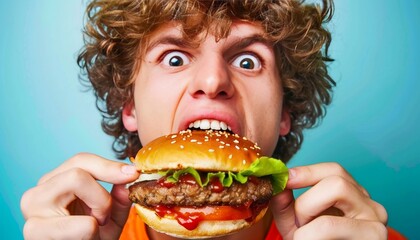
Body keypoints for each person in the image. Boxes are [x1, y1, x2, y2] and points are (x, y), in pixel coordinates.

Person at [20, 0, 406, 239]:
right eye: (175, 58)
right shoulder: (76, 233)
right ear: (129, 107)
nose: (213, 81)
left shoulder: (362, 235)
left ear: (286, 112)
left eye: (247, 61)